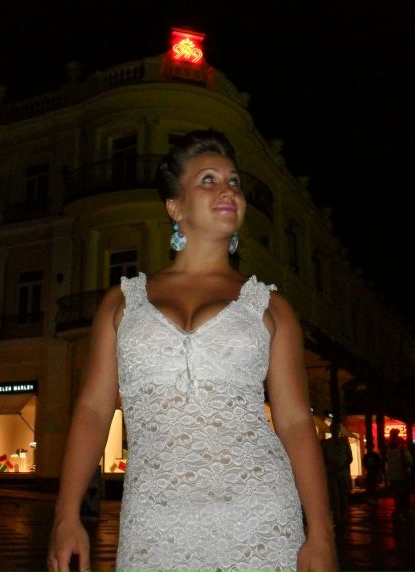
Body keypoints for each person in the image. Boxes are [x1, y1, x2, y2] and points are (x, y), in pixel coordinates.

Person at [47, 130, 338, 572]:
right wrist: (66, 516)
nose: (228, 190)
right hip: (154, 520)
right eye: (208, 179)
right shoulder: (122, 302)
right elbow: (92, 410)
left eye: (234, 181)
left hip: (261, 514)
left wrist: (321, 534)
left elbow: (296, 423)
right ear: (175, 206)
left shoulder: (271, 306)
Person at [321, 421, 353, 530]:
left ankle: (343, 515)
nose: (335, 430)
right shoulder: (326, 443)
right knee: (334, 494)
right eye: (333, 428)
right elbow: (323, 458)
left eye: (336, 428)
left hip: (342, 471)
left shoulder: (344, 442)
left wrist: (343, 465)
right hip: (331, 472)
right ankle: (337, 516)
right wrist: (329, 466)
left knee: (343, 493)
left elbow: (349, 457)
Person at [385, 428, 413, 522]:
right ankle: (401, 511)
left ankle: (399, 510)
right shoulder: (401, 448)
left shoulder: (389, 447)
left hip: (395, 474)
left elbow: (386, 460)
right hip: (399, 474)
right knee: (400, 494)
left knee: (398, 494)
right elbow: (409, 460)